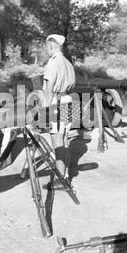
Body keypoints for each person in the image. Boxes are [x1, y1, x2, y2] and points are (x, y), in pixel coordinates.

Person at [43, 34, 76, 188]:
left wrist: (44, 109)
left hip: (57, 101)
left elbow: (49, 89)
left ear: (51, 46)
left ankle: (61, 180)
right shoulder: (68, 63)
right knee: (65, 140)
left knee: (57, 141)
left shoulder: (52, 64)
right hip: (69, 101)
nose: (46, 50)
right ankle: (66, 175)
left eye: (46, 47)